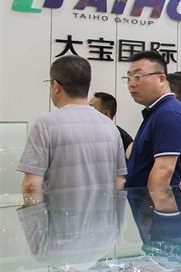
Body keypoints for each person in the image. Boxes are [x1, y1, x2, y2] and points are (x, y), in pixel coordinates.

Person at [17, 56, 126, 193]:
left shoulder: (45, 125)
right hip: (104, 208)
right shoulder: (109, 126)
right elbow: (119, 181)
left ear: (56, 86)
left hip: (58, 208)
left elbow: (31, 186)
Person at [124, 51, 181, 188]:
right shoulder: (157, 111)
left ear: (161, 79)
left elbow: (163, 172)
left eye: (138, 77)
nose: (131, 84)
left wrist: (152, 202)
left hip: (160, 202)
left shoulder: (169, 113)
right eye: (128, 78)